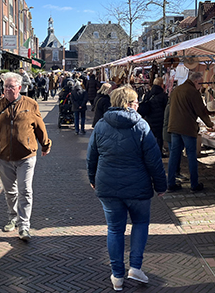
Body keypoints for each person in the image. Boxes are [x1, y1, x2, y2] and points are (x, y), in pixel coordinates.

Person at [86, 85, 167, 291]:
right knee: (140, 223)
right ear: (129, 104)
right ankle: (136, 267)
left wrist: (92, 178)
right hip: (138, 187)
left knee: (115, 229)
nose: (139, 105)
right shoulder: (141, 126)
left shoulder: (101, 125)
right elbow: (154, 160)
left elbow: (91, 156)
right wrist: (160, 185)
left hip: (108, 186)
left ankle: (117, 276)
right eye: (136, 101)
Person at [0, 72, 52, 241]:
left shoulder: (30, 104)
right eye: (5, 86)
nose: (7, 89)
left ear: (19, 88)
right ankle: (12, 218)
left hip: (26, 156)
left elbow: (39, 126)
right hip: (4, 156)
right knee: (10, 192)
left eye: (11, 87)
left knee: (25, 190)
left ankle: (24, 225)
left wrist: (45, 144)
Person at [167, 71, 213, 192]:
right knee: (191, 156)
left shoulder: (177, 90)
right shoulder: (193, 92)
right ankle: (194, 184)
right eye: (201, 83)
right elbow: (201, 111)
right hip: (187, 127)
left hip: (174, 126)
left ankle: (170, 183)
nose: (201, 86)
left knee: (174, 155)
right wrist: (210, 124)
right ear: (196, 82)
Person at [139, 77, 168, 156]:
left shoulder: (148, 94)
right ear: (162, 84)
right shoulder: (163, 95)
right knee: (159, 137)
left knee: (150, 136)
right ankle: (159, 152)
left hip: (149, 118)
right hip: (160, 119)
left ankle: (150, 152)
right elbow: (166, 108)